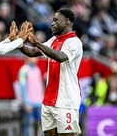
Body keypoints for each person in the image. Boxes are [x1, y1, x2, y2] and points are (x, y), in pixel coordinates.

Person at [19, 8, 83, 136]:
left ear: (66, 21)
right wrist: (17, 41)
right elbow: (32, 52)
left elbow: (61, 57)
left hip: (66, 101)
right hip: (48, 101)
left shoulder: (74, 42)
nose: (52, 23)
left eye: (55, 20)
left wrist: (37, 43)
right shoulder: (53, 41)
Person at [18, 55, 45, 136]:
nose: (35, 58)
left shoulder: (38, 70)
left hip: (39, 103)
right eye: (33, 56)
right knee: (28, 126)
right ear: (27, 57)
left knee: (42, 126)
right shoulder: (23, 70)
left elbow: (40, 87)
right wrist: (26, 102)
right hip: (29, 104)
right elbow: (23, 87)